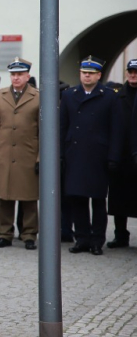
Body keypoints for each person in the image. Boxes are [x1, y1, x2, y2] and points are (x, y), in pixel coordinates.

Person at [61, 56, 122, 256]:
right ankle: (82, 238)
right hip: (75, 154)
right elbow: (63, 127)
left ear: (98, 75)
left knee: (97, 200)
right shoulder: (70, 95)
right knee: (77, 199)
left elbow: (116, 129)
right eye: (83, 73)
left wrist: (113, 156)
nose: (86, 76)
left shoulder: (109, 96)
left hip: (98, 155)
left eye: (90, 73)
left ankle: (97, 240)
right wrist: (61, 153)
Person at [0, 57, 40, 250]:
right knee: (5, 196)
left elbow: (43, 130)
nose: (16, 78)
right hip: (5, 153)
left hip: (28, 153)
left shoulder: (38, 97)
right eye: (13, 75)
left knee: (29, 197)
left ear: (27, 76)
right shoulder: (0, 96)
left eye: (19, 74)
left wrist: (40, 157)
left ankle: (29, 234)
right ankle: (4, 234)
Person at [107, 58, 137, 248]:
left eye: (136, 73)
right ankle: (120, 235)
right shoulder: (117, 95)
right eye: (131, 72)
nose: (133, 76)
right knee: (119, 198)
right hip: (121, 154)